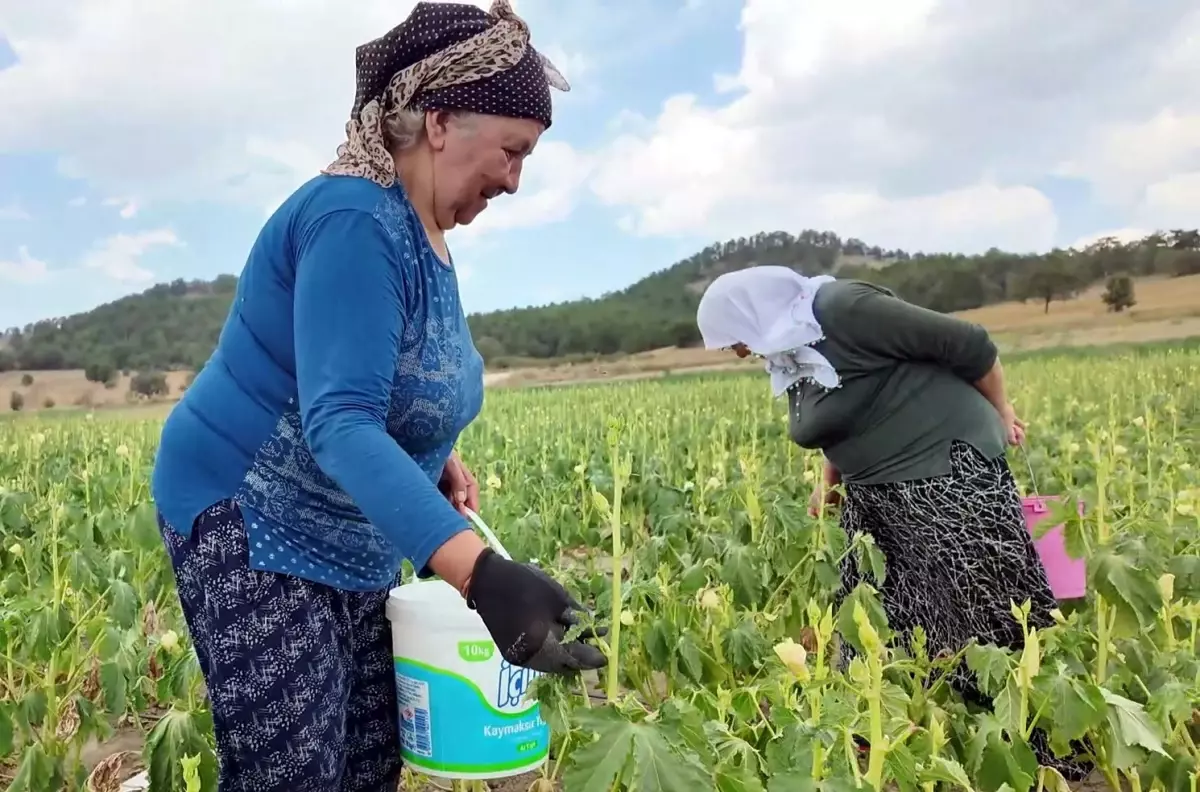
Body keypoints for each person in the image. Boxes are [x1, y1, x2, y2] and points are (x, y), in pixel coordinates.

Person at [150, 3, 605, 790]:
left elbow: (383, 375)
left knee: (366, 763)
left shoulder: (425, 232)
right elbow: (341, 420)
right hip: (255, 515)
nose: (514, 180)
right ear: (440, 121)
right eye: (512, 150)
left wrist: (433, 453)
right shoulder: (354, 219)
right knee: (295, 772)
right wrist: (481, 575)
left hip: (353, 531)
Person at [695, 266, 1089, 779]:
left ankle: (1040, 748)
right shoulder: (791, 350)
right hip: (872, 490)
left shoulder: (843, 308)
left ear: (755, 311)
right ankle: (887, 731)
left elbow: (969, 344)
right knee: (873, 607)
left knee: (982, 609)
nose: (738, 352)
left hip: (946, 473)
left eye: (734, 339)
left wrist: (1003, 410)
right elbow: (843, 418)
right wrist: (829, 484)